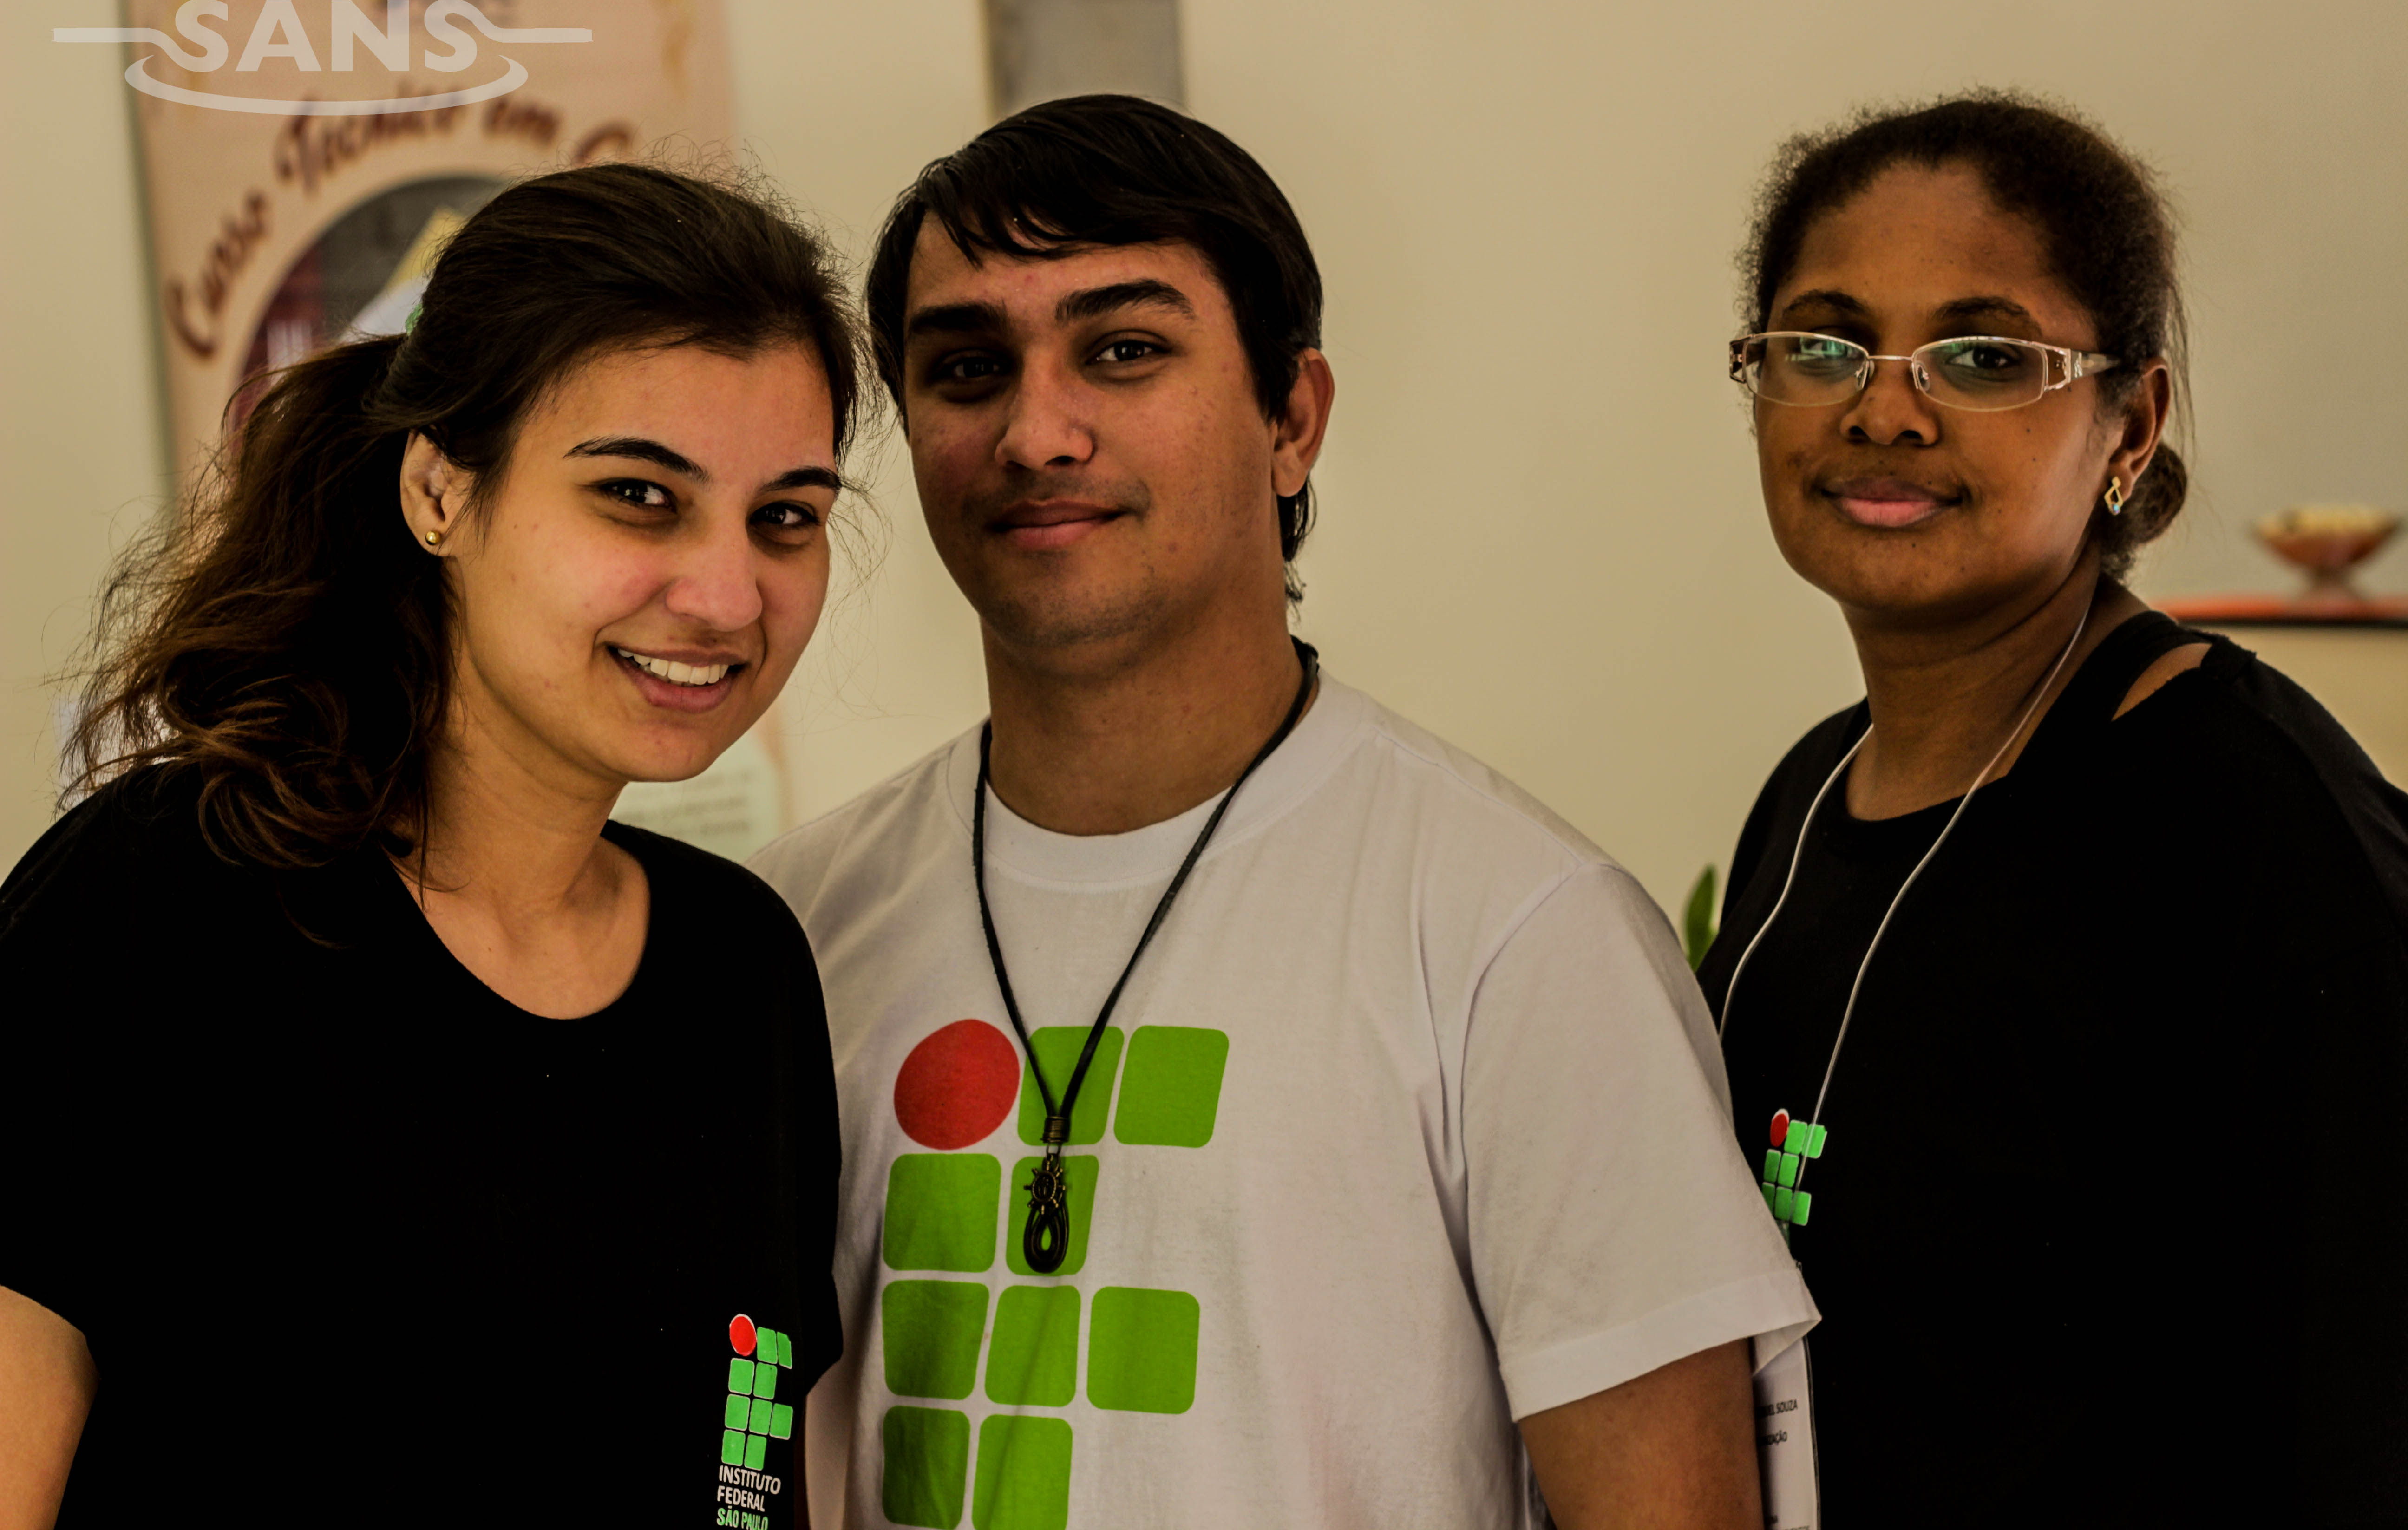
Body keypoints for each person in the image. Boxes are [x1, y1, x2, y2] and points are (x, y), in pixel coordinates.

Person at [749, 93, 1814, 1530]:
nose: (1036, 431)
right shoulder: (788, 933)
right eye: (968, 368)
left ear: (1292, 420)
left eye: (1124, 351)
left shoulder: (1524, 939)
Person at [0, 163, 862, 1527]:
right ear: (439, 493)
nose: (724, 594)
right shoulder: (160, 897)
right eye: (639, 495)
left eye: (786, 518)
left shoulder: (741, 966)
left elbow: (746, 1467)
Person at [1701, 93, 2408, 1524]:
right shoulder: (1812, 791)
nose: (1884, 410)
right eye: (1823, 345)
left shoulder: (2250, 824)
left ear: (2129, 424)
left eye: (1982, 357)